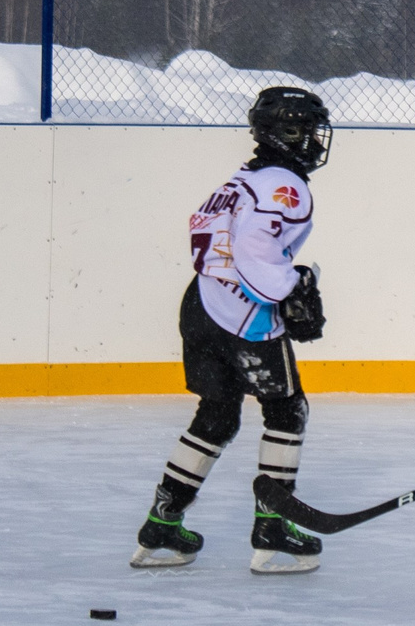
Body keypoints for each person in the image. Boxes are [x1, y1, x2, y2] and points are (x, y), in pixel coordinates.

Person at [131, 85, 332, 574]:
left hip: (201, 304)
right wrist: (289, 288)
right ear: (280, 135)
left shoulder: (241, 179)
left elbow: (206, 234)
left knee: (217, 417)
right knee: (287, 411)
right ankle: (273, 528)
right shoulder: (285, 185)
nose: (312, 140)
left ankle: (162, 524)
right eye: (302, 130)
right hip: (245, 318)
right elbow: (254, 249)